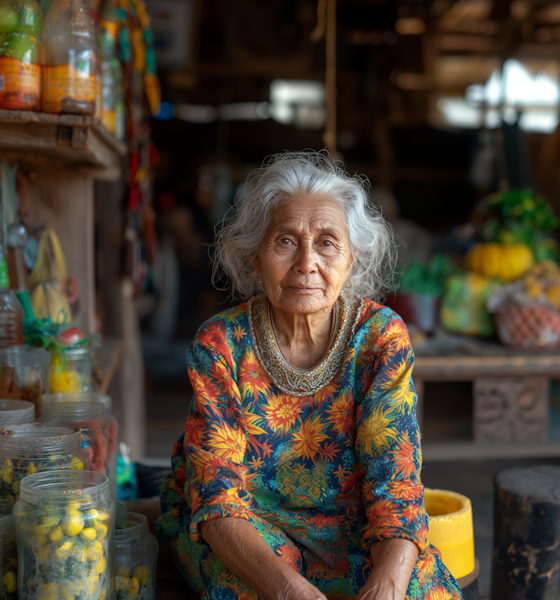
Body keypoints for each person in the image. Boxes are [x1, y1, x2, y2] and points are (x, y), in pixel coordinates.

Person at [157, 151, 462, 600]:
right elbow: (219, 499)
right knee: (247, 590)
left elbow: (395, 483)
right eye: (285, 241)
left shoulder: (379, 337)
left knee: (420, 588)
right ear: (255, 257)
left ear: (351, 260)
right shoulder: (221, 344)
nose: (306, 263)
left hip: (349, 524)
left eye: (326, 242)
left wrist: (389, 584)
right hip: (246, 527)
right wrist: (288, 591)